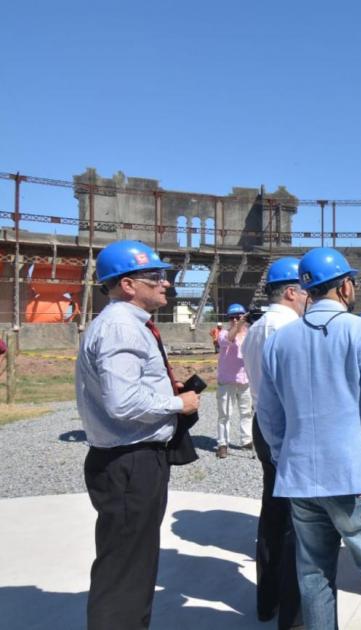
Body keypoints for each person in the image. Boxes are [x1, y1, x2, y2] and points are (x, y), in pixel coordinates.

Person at [256, 247, 361, 630]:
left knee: (313, 579)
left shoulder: (279, 341)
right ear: (345, 286)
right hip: (357, 479)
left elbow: (268, 413)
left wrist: (283, 456)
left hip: (302, 482)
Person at [76, 240, 200, 629]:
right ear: (128, 284)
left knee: (131, 561)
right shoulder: (120, 328)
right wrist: (179, 405)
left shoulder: (125, 325)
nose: (166, 284)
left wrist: (165, 392)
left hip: (128, 457)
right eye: (156, 277)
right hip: (129, 460)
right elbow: (123, 402)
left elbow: (127, 390)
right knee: (125, 571)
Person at [242, 257, 308, 629]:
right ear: (290, 291)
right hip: (283, 428)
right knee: (294, 522)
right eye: (305, 290)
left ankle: (266, 600)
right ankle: (290, 608)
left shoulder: (258, 327)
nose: (308, 298)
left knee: (272, 515)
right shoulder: (286, 327)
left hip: (262, 423)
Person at [216, 303, 253, 458]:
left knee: (246, 413)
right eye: (232, 317)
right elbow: (229, 339)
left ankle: (246, 440)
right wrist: (239, 325)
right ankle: (222, 443)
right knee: (225, 414)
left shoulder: (251, 334)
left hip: (246, 379)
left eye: (238, 317)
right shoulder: (223, 333)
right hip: (227, 379)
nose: (235, 320)